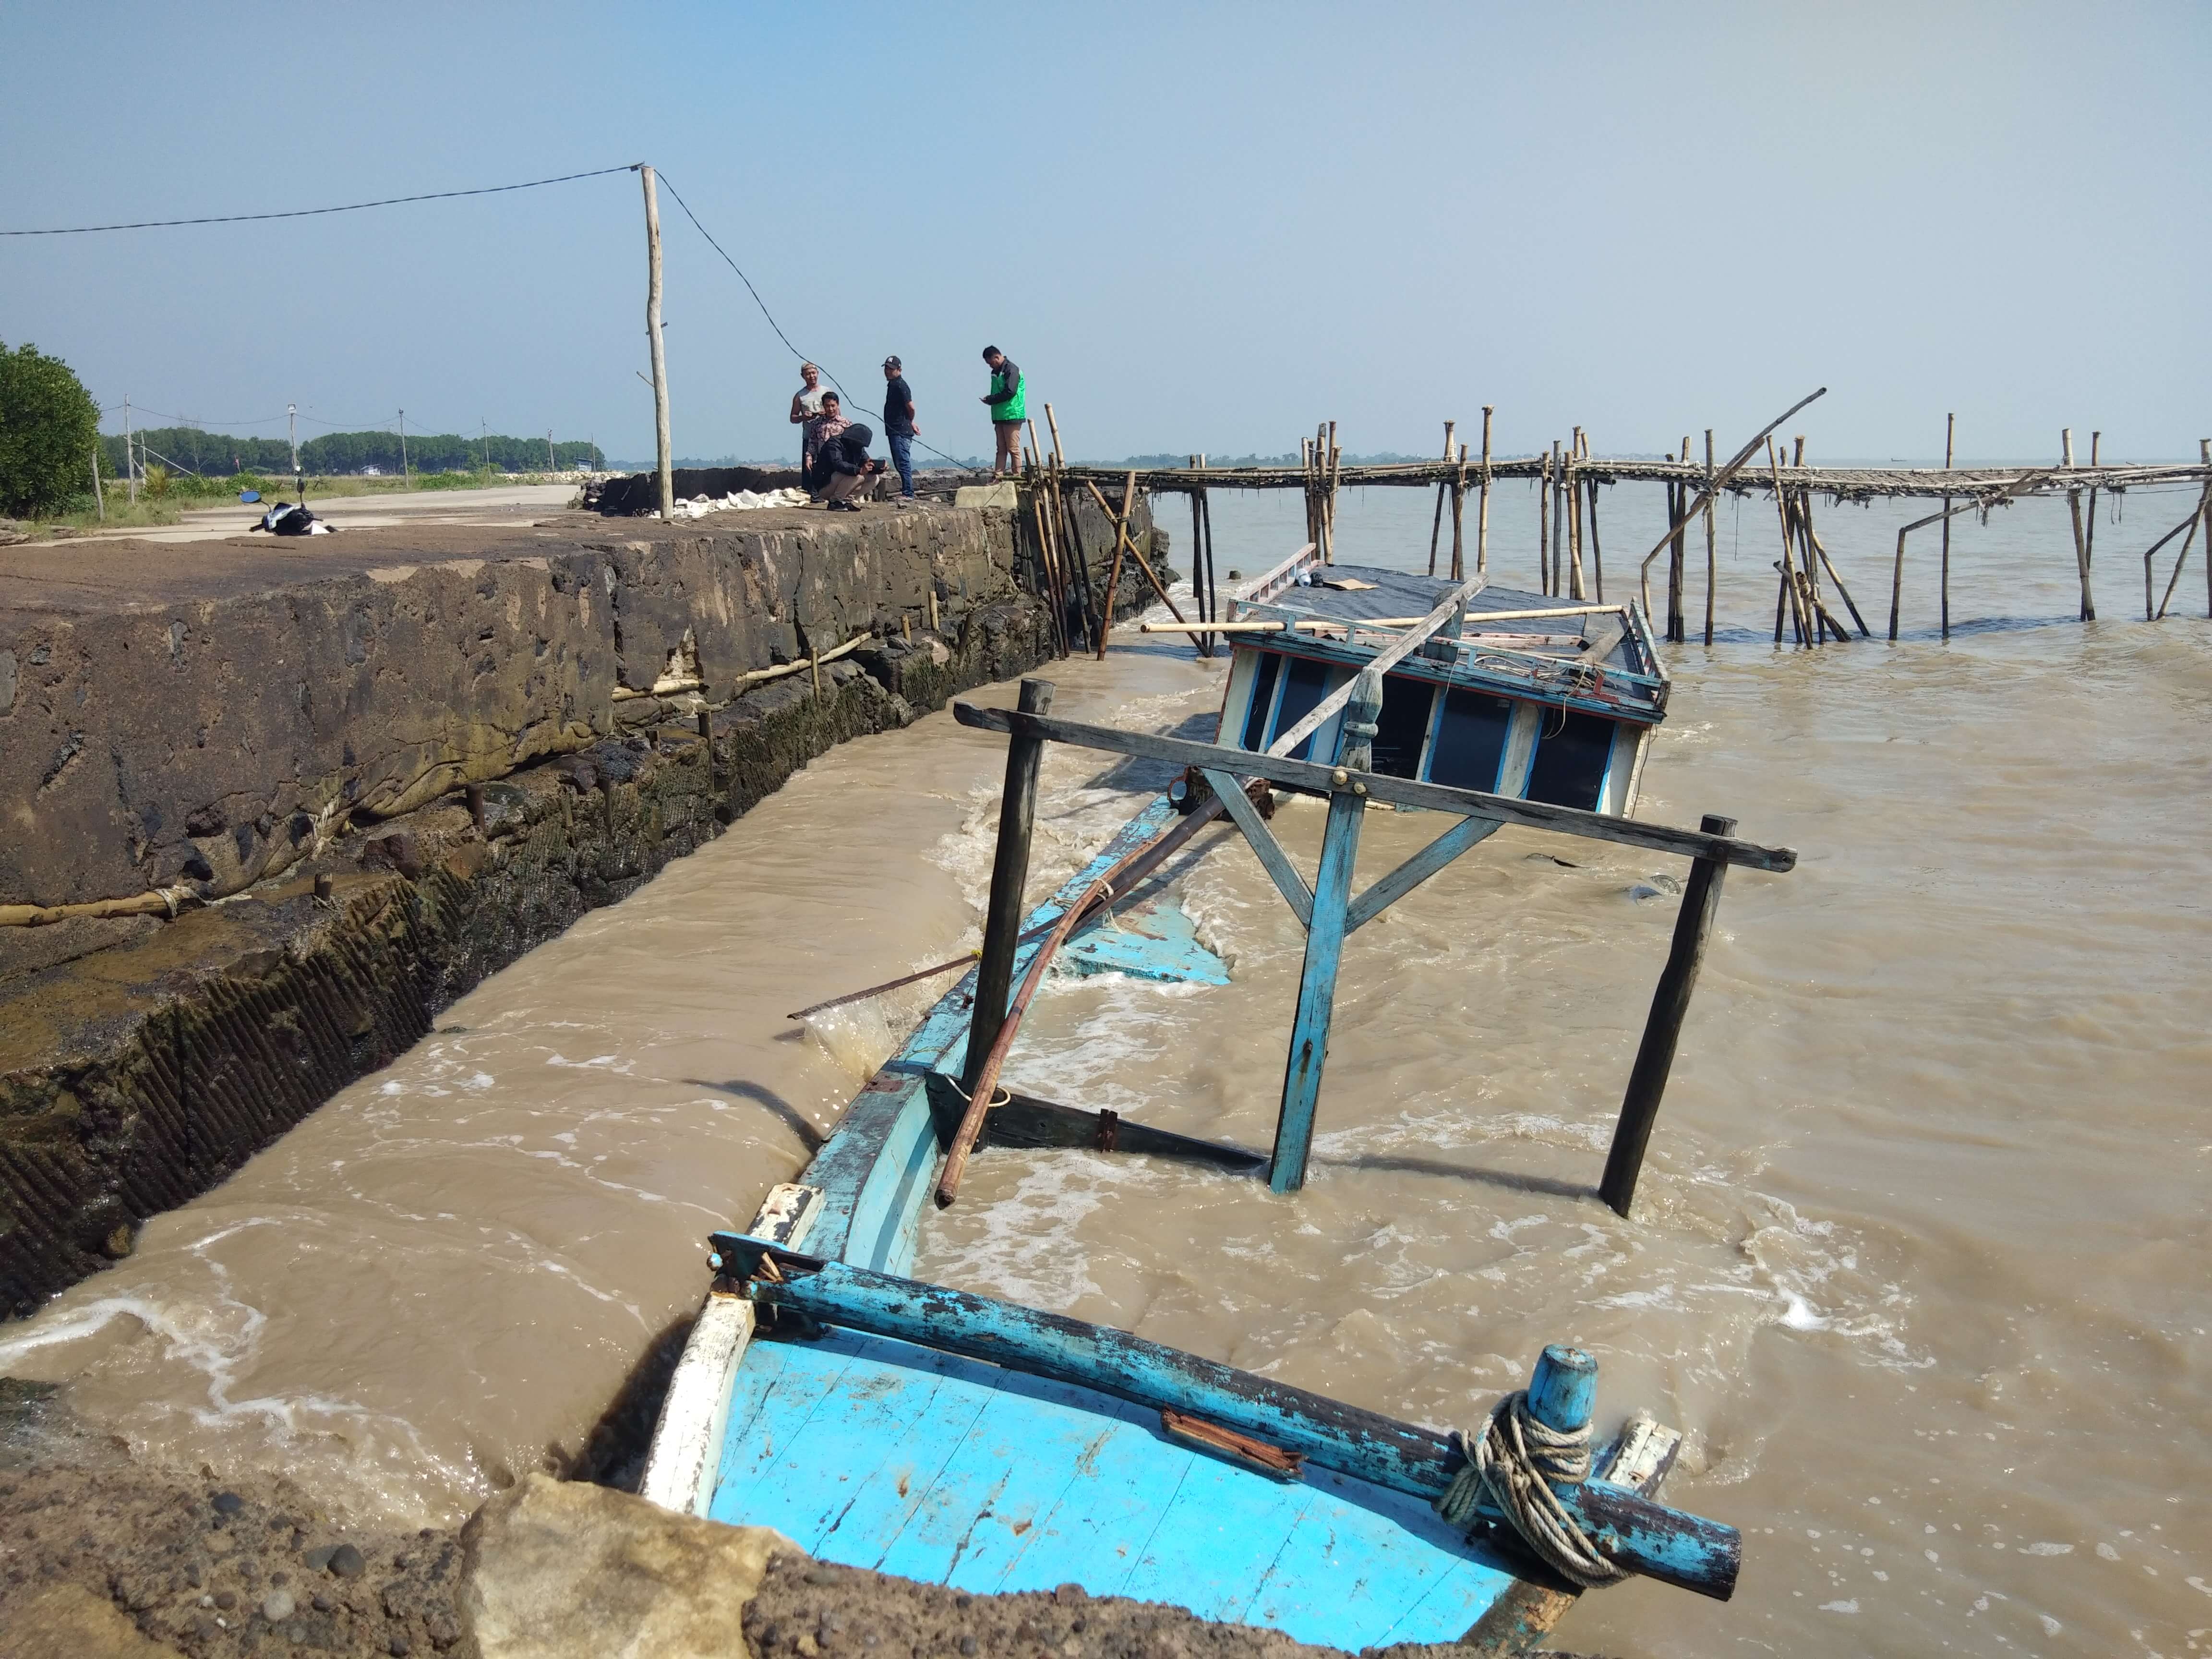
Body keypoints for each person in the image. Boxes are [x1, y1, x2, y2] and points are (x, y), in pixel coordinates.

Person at [816, 421, 882, 511]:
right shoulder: (834, 444)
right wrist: (859, 470)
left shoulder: (858, 448)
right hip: (826, 484)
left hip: (840, 481)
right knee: (858, 475)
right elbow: (838, 464)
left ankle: (846, 502)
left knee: (874, 479)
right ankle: (835, 502)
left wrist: (879, 467)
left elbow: (866, 461)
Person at [980, 346, 1026, 475]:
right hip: (999, 415)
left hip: (1012, 414)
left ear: (996, 357)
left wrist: (991, 400)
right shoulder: (995, 372)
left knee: (1013, 448)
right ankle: (998, 476)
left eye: (990, 363)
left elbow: (1010, 392)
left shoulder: (1011, 370)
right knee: (1001, 449)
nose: (990, 366)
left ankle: (1017, 476)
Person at [881, 356, 918, 500]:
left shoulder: (900, 385)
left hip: (900, 431)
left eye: (891, 369)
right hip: (894, 429)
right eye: (886, 369)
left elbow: (911, 408)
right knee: (898, 461)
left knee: (903, 461)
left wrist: (910, 422)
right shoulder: (892, 385)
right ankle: (907, 492)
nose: (887, 372)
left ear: (899, 370)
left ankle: (908, 493)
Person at [804, 392, 852, 496]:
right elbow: (813, 444)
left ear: (838, 405)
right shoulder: (817, 424)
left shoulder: (846, 424)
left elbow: (852, 445)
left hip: (840, 462)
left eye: (833, 406)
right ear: (824, 406)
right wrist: (809, 458)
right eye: (827, 406)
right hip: (823, 463)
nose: (830, 409)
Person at [790, 363, 829, 478]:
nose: (811, 376)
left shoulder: (827, 391)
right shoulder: (800, 396)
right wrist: (803, 417)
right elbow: (793, 418)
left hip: (827, 437)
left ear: (818, 373)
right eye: (808, 374)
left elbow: (838, 414)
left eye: (813, 373)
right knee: (809, 470)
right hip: (809, 437)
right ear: (803, 376)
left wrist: (826, 413)